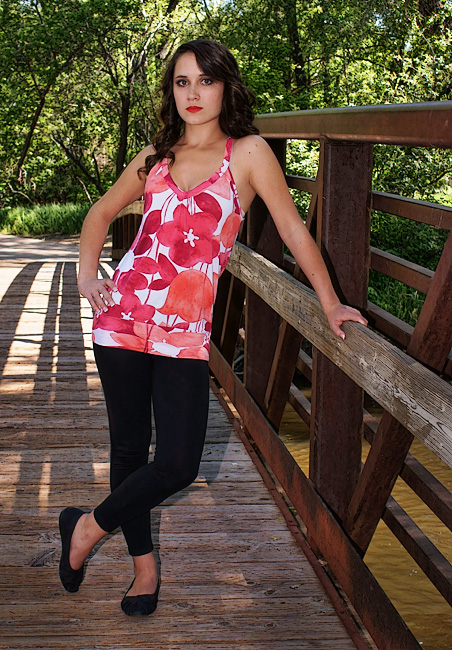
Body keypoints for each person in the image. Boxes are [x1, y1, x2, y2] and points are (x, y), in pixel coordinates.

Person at [59, 39, 367, 616]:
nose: (193, 93)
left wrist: (330, 304)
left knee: (178, 463)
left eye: (206, 80)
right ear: (171, 91)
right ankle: (144, 569)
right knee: (129, 446)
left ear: (226, 87)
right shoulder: (155, 156)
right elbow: (100, 213)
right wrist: (86, 276)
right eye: (182, 82)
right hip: (121, 318)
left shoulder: (247, 153)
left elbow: (293, 229)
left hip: (185, 331)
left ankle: (85, 529)